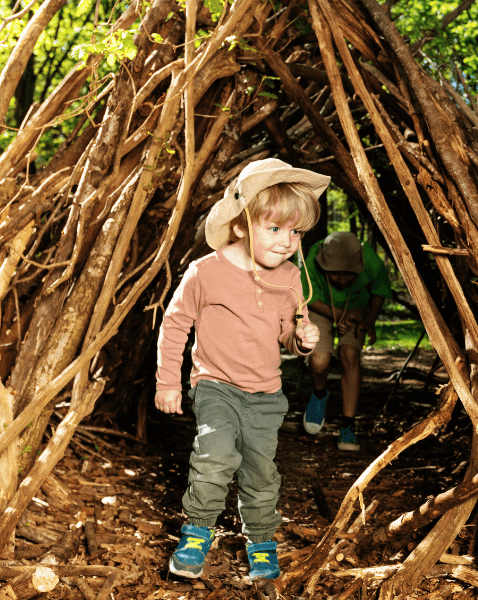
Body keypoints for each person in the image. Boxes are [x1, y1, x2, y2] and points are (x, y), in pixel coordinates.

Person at [154, 158, 329, 582]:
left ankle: (261, 542)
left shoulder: (289, 277)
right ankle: (196, 533)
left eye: (297, 232)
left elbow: (288, 331)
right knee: (215, 455)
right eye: (275, 229)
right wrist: (167, 383)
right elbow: (175, 323)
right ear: (239, 225)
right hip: (216, 385)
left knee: (261, 471)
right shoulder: (205, 272)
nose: (288, 241)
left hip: (267, 393)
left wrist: (301, 340)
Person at [300, 231, 393, 451]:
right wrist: (339, 315)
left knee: (350, 354)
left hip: (357, 307)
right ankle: (320, 394)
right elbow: (308, 296)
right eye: (335, 274)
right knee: (319, 360)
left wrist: (369, 320)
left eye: (348, 274)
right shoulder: (314, 256)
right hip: (321, 306)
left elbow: (379, 292)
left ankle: (348, 426)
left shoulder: (370, 258)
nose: (342, 280)